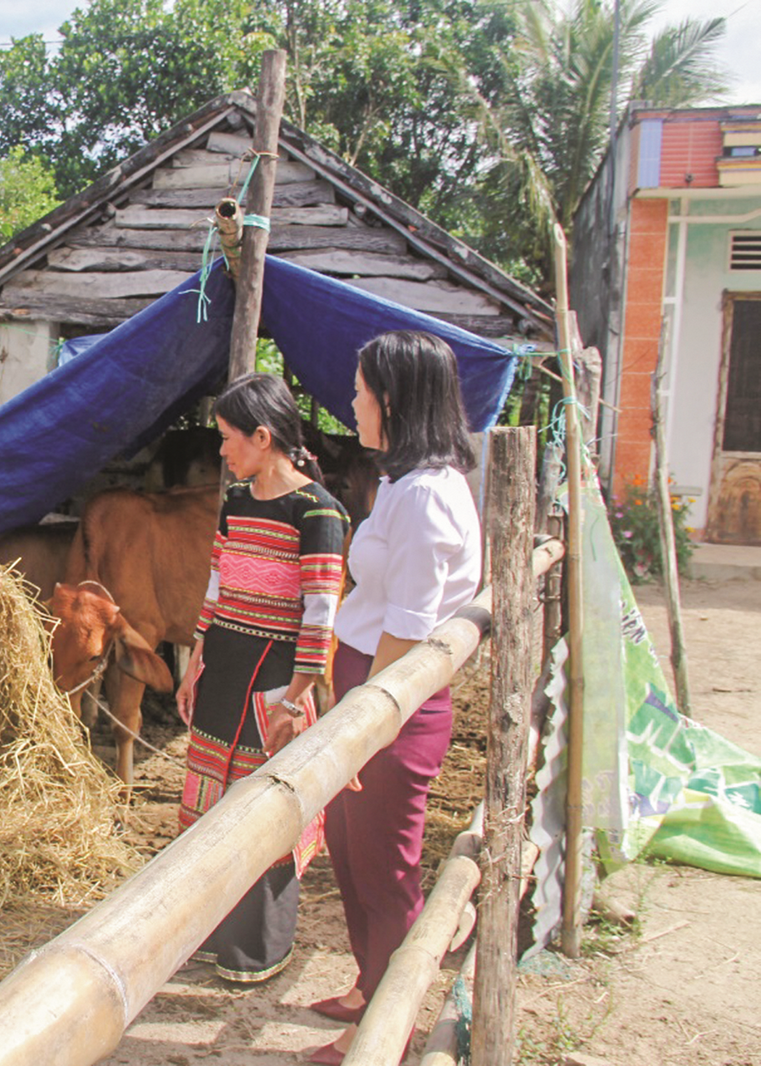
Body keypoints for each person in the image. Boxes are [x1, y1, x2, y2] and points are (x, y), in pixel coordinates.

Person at [303, 331, 482, 1065]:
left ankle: (387, 1024)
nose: (352, 405)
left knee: (386, 863)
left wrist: (364, 722)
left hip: (392, 700)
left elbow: (406, 630)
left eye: (359, 393)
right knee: (349, 847)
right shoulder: (404, 486)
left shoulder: (428, 499)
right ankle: (368, 982)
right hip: (368, 681)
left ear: (394, 401)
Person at [175, 372, 349, 985]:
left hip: (276, 679)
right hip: (224, 666)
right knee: (208, 792)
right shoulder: (238, 503)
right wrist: (195, 660)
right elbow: (218, 587)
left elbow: (320, 615)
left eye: (228, 439)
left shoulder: (319, 513)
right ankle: (202, 929)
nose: (222, 451)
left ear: (263, 435)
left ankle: (256, 949)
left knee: (263, 803)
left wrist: (296, 698)